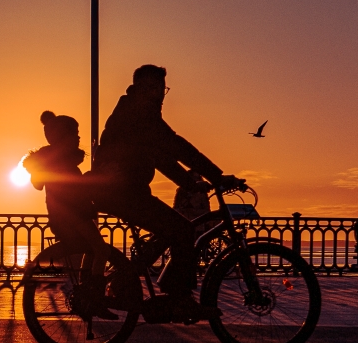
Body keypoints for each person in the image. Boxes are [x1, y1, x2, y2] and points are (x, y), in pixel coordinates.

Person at [90, 64, 242, 322]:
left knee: (171, 230)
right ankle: (178, 297)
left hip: (126, 191)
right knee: (181, 230)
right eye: (151, 88)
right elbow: (175, 145)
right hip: (121, 192)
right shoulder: (138, 115)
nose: (157, 94)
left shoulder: (139, 113)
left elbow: (161, 157)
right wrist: (216, 175)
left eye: (161, 89)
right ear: (137, 89)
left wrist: (192, 184)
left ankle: (125, 281)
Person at [22, 111, 117, 317]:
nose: (79, 138)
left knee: (92, 250)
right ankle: (94, 298)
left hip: (71, 215)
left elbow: (41, 184)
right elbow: (68, 189)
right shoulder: (59, 161)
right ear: (63, 138)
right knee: (101, 250)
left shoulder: (58, 160)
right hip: (72, 217)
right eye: (75, 134)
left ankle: (86, 292)